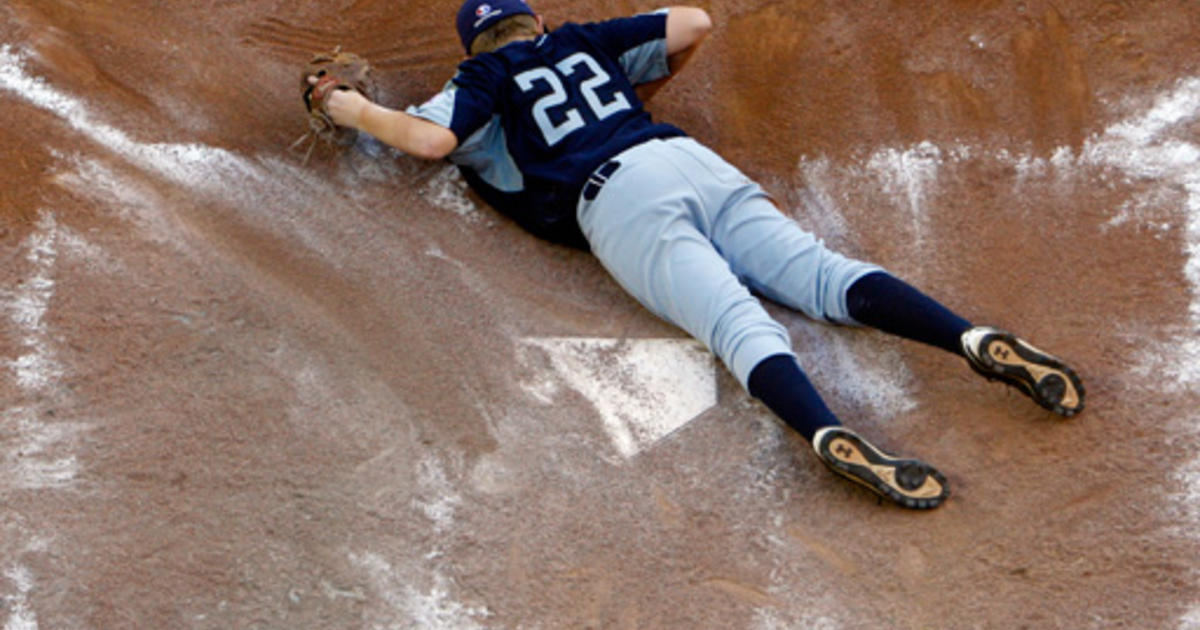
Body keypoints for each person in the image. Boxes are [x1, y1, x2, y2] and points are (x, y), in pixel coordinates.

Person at [308, 0, 1085, 509]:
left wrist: (349, 106)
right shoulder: (580, 42)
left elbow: (434, 138)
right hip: (687, 159)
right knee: (825, 275)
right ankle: (971, 340)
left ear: (477, 42)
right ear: (535, 20)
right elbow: (694, 22)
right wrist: (642, 88)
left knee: (736, 326)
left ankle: (823, 433)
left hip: (615, 198)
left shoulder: (481, 74)